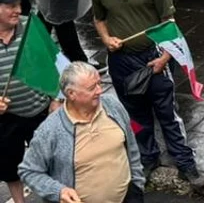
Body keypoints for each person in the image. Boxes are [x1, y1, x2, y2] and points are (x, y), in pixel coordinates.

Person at [91, 0, 204, 191]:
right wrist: (106, 38)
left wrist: (165, 57)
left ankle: (185, 162)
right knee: (135, 113)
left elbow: (169, 22)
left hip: (153, 56)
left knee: (168, 113)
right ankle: (147, 156)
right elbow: (99, 19)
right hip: (121, 61)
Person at [18, 62, 146, 203]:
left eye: (99, 83)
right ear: (71, 94)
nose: (99, 91)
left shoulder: (112, 104)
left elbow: (132, 146)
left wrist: (137, 184)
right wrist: (58, 191)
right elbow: (29, 171)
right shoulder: (50, 130)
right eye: (92, 88)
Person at [0, 0, 57, 203]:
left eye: (18, 4)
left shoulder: (31, 28)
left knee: (51, 162)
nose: (18, 10)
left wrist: (56, 99)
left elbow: (55, 62)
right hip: (6, 120)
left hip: (40, 112)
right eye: (10, 6)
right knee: (9, 168)